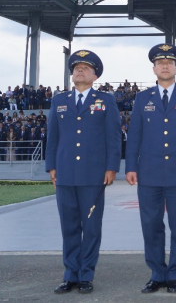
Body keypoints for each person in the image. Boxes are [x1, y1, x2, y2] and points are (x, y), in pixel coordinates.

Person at [125, 44, 176, 294]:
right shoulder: (142, 97)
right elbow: (134, 135)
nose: (165, 66)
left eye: (169, 62)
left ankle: (175, 275)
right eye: (160, 63)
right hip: (148, 173)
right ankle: (157, 273)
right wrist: (130, 167)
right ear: (154, 68)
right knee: (151, 224)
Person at [46, 50, 122, 295]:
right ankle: (70, 274)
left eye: (85, 68)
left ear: (95, 75)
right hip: (66, 172)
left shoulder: (106, 100)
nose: (79, 70)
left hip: (93, 174)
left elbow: (113, 136)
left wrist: (111, 167)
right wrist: (52, 166)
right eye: (76, 67)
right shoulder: (59, 100)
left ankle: (86, 274)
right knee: (68, 226)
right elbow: (53, 137)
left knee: (90, 227)